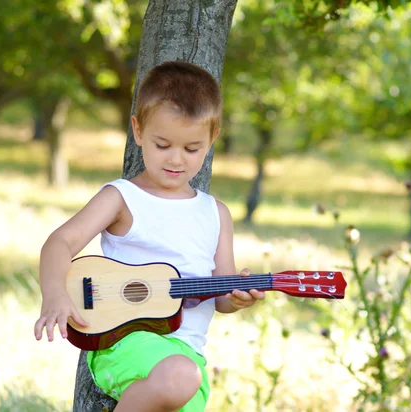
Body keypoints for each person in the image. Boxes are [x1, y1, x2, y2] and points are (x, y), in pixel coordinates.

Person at [34, 60, 265, 412]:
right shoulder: (122, 198)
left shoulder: (216, 214)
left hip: (188, 354)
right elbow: (59, 243)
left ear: (212, 138)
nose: (176, 159)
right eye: (162, 145)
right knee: (180, 376)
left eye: (191, 149)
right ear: (138, 131)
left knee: (185, 378)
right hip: (124, 342)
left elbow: (221, 297)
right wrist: (54, 294)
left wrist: (238, 296)